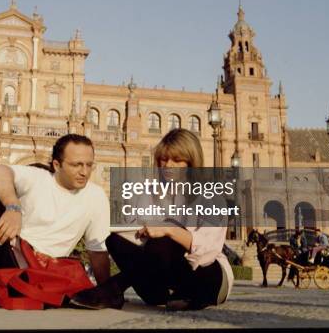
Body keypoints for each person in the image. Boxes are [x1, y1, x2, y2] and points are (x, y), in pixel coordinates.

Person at [69, 128, 234, 311]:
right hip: (161, 277)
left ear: (192, 163)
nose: (168, 166)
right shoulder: (149, 193)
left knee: (163, 239)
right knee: (115, 241)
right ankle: (146, 292)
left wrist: (168, 229)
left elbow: (208, 250)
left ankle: (112, 289)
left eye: (177, 160)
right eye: (163, 159)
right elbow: (136, 233)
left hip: (207, 277)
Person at [0, 134, 111, 303]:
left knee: (14, 290)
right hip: (10, 254)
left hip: (47, 268)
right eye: (76, 165)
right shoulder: (39, 177)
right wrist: (13, 206)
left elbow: (97, 250)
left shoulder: (96, 195)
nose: (84, 172)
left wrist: (106, 289)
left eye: (89, 165)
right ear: (57, 165)